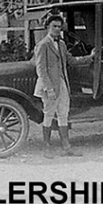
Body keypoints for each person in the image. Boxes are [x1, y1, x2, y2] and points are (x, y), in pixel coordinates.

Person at [33, 14, 89, 157]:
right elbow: (41, 70)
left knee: (63, 114)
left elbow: (72, 61)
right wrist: (49, 88)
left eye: (59, 27)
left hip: (63, 84)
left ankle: (66, 147)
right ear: (48, 27)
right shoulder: (42, 45)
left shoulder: (62, 44)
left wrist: (90, 57)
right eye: (54, 26)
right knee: (49, 115)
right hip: (49, 86)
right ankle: (46, 147)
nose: (57, 29)